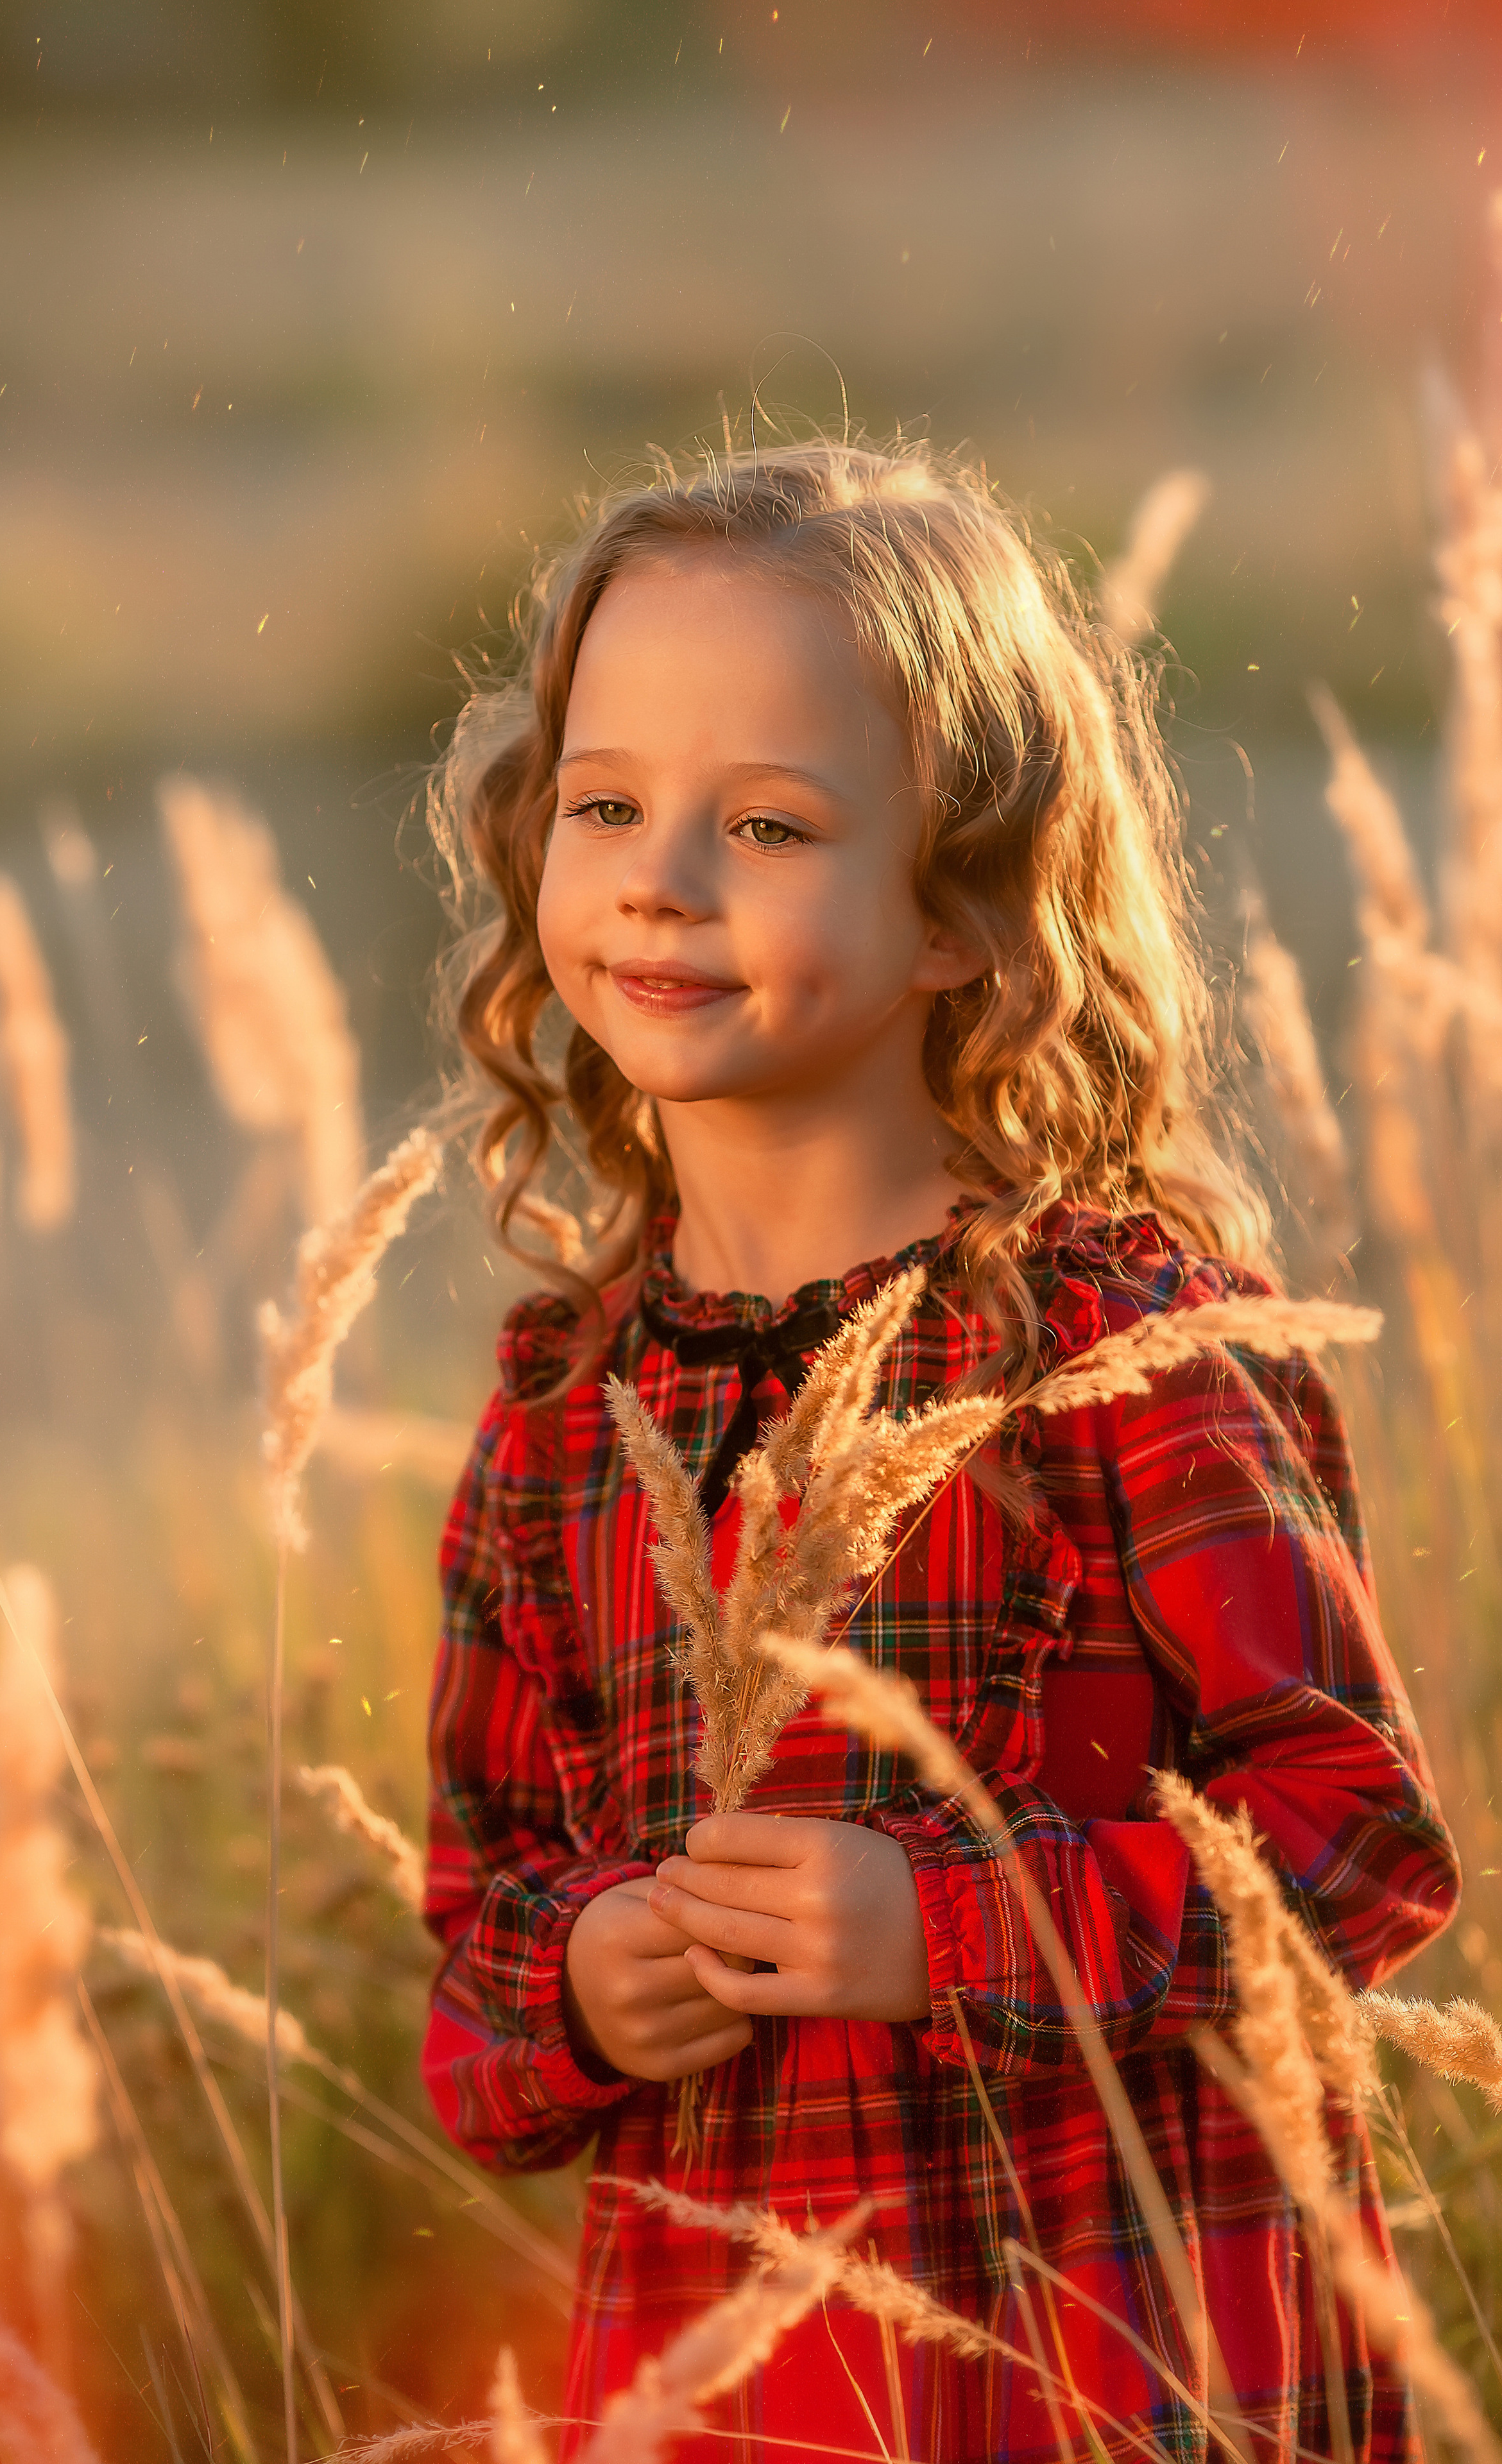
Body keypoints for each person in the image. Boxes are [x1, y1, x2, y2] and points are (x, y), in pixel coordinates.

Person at [419, 439, 1458, 2462]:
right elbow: (475, 1979)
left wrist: (950, 1927)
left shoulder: (1118, 1347)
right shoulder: (562, 1417)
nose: (661, 877)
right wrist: (583, 1988)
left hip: (1138, 2383)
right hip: (742, 2404)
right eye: (608, 803)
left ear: (967, 912)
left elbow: (1358, 1846)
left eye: (775, 824)